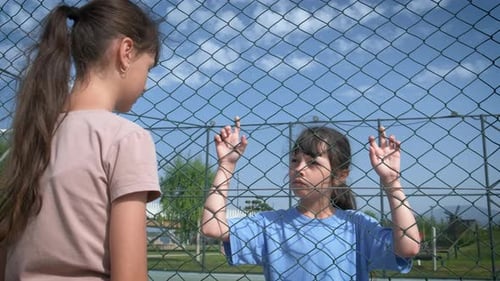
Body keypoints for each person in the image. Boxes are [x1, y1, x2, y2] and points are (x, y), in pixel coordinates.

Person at [0, 1, 162, 280]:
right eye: (148, 67)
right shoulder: (128, 139)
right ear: (126, 52)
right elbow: (131, 275)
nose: (147, 84)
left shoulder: (32, 135)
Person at [202, 117, 421, 281]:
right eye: (294, 160)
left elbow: (408, 247)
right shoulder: (272, 224)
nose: (299, 169)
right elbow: (212, 226)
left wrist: (392, 181)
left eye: (313, 162)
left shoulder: (356, 226)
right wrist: (227, 166)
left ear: (340, 175)